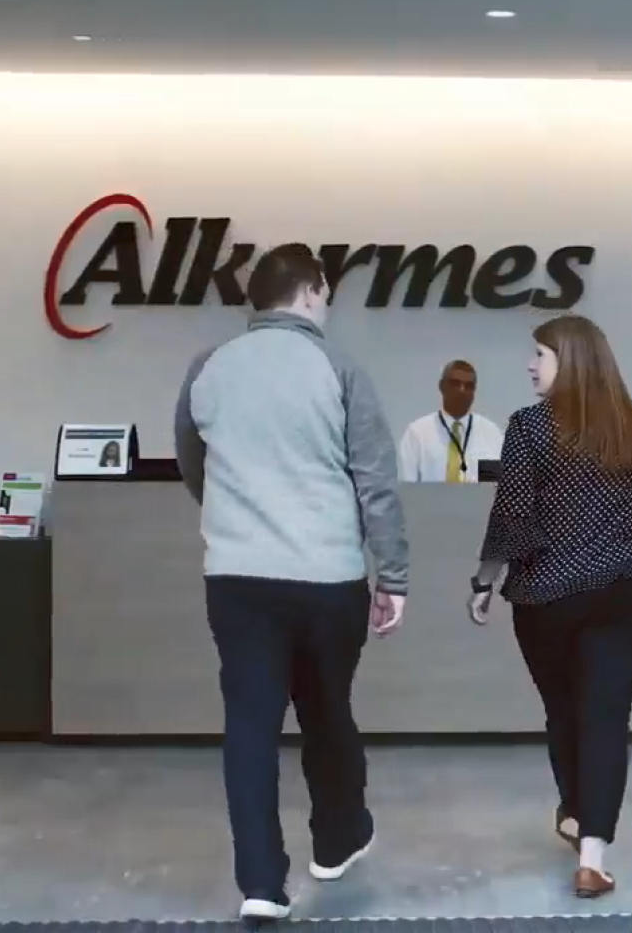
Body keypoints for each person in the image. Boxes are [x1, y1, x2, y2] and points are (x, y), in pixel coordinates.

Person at [173, 243, 408, 921]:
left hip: (238, 578)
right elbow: (376, 483)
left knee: (249, 724)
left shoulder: (208, 368)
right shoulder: (338, 367)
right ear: (311, 290)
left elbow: (194, 462)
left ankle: (260, 884)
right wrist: (391, 575)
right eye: (326, 294)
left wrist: (238, 517)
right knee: (327, 708)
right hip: (328, 577)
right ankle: (336, 841)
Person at [466, 314, 632, 899]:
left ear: (569, 362)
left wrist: (485, 578)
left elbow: (514, 513)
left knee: (564, 709)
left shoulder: (528, 428)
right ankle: (592, 855)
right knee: (605, 718)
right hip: (625, 590)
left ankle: (576, 811)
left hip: (548, 595)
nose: (531, 364)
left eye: (540, 355)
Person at [397, 360, 504, 482]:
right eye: (455, 384)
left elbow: (493, 488)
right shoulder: (417, 434)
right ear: (441, 386)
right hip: (431, 501)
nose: (462, 390)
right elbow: (407, 489)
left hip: (477, 501)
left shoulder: (491, 434)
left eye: (469, 386)